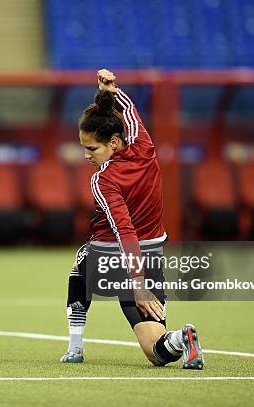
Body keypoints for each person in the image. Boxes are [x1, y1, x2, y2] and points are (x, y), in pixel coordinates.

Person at [60, 69, 204, 369]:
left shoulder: (103, 180)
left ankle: (75, 346)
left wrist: (137, 284)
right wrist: (111, 90)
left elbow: (124, 230)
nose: (86, 156)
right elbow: (129, 110)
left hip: (118, 259)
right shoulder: (143, 146)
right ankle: (181, 338)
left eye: (91, 149)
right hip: (151, 258)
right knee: (157, 352)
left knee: (80, 264)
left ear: (113, 142)